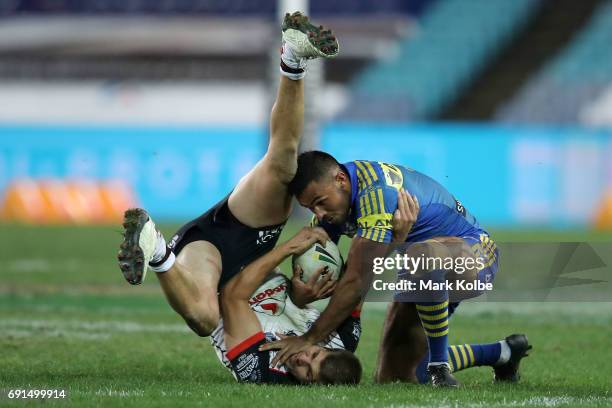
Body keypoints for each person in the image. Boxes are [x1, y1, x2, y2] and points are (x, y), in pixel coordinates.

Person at [117, 12, 339, 338]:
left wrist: (297, 292)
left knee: (205, 320)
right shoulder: (317, 208)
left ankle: (156, 249)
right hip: (220, 238)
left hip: (240, 253)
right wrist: (291, 250)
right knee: (283, 159)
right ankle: (293, 60)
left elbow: (254, 286)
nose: (317, 214)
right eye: (317, 204)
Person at [260, 151, 531, 387]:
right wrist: (302, 294)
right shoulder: (336, 205)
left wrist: (309, 338)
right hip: (420, 271)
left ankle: (439, 367)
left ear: (340, 180)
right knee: (396, 375)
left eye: (320, 202)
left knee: (421, 254)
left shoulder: (376, 195)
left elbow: (357, 281)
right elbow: (345, 276)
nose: (318, 214)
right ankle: (503, 353)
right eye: (310, 207)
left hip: (476, 254)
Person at [213, 226, 362, 384]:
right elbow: (361, 273)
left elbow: (231, 296)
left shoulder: (262, 371)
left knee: (202, 313)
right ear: (327, 348)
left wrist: (290, 246)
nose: (302, 360)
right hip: (260, 251)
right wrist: (295, 298)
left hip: (219, 273)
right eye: (314, 354)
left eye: (308, 373)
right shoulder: (342, 341)